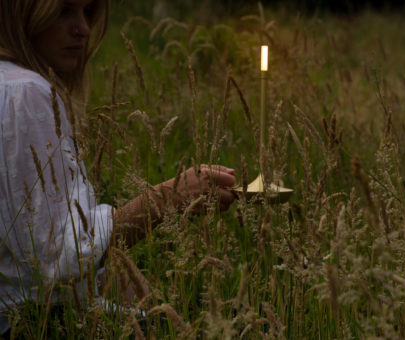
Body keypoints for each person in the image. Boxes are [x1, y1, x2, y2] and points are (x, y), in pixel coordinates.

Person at [0, 0, 237, 336]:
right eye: (63, 11)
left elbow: (28, 241)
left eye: (87, 12)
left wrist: (117, 280)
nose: (82, 28)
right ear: (22, 16)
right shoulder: (25, 93)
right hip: (28, 325)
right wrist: (165, 199)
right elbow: (54, 258)